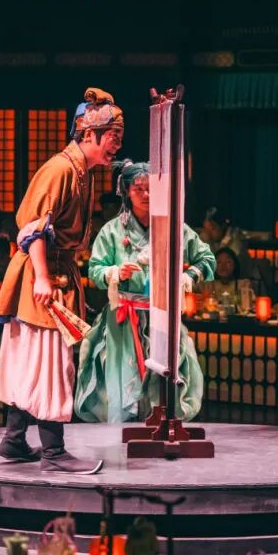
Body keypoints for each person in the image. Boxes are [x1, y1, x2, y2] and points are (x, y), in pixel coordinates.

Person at [0, 88, 122, 474]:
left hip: (54, 270)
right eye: (113, 137)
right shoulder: (61, 169)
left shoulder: (81, 172)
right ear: (89, 135)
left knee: (32, 359)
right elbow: (33, 227)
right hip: (44, 274)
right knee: (51, 360)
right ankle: (53, 450)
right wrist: (43, 278)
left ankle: (14, 439)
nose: (117, 146)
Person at [75, 160, 215, 423]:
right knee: (122, 377)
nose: (146, 194)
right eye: (138, 189)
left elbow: (207, 259)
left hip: (162, 316)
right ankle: (122, 431)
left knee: (165, 379)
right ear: (127, 192)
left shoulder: (173, 227)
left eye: (151, 188)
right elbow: (94, 270)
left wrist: (186, 276)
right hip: (123, 319)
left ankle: (162, 425)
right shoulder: (112, 230)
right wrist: (117, 272)